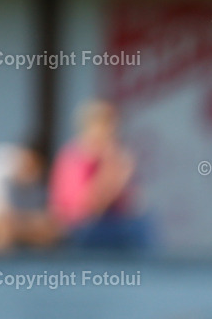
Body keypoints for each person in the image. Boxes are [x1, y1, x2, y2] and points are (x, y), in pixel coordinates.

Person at [49, 99, 147, 249]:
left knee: (143, 225)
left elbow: (128, 208)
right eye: (107, 125)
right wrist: (113, 175)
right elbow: (86, 208)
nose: (112, 132)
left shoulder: (111, 157)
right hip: (78, 231)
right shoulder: (75, 157)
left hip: (109, 227)